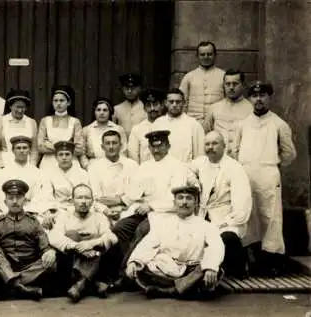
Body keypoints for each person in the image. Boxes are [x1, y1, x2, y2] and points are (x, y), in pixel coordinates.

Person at [103, 130, 199, 288]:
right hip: (142, 210)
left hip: (165, 213)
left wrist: (151, 206)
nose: (156, 150)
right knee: (120, 228)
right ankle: (128, 271)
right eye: (152, 147)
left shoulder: (177, 167)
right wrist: (123, 202)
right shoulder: (145, 166)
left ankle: (124, 275)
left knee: (142, 230)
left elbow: (175, 200)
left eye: (159, 146)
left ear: (167, 146)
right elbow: (134, 191)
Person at [234, 81, 297, 276]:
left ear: (269, 97)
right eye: (254, 95)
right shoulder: (242, 124)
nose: (258, 99)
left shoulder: (279, 124)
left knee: (270, 217)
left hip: (268, 174)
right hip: (247, 174)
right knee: (249, 215)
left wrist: (272, 164)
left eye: (263, 95)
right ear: (250, 98)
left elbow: (289, 153)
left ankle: (273, 261)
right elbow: (235, 150)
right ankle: (252, 261)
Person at [126, 186, 224, 299]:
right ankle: (187, 288)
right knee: (142, 267)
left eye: (189, 198)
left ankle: (171, 291)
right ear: (174, 202)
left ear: (196, 203)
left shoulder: (206, 226)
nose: (184, 202)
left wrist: (210, 268)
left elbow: (216, 246)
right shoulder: (163, 224)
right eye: (180, 198)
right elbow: (148, 244)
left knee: (214, 268)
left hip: (192, 270)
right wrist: (134, 262)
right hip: (167, 269)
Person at [190, 131, 252, 278]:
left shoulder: (234, 168)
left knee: (225, 239)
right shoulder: (201, 162)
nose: (210, 147)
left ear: (224, 146)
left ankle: (239, 267)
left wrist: (224, 223)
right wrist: (194, 181)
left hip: (226, 219)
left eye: (215, 143)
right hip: (205, 216)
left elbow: (242, 209)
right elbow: (186, 170)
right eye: (207, 144)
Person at [0, 179, 57, 300]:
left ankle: (11, 284)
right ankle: (20, 288)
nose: (14, 201)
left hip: (30, 267)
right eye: (11, 198)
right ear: (5, 201)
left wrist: (48, 252)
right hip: (5, 265)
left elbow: (44, 244)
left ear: (25, 200)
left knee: (51, 262)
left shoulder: (33, 222)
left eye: (18, 197)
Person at [49, 184, 118, 303]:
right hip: (71, 267)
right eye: (79, 198)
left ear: (92, 201)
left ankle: (81, 283)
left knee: (99, 238)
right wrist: (78, 247)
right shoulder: (64, 216)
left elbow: (112, 237)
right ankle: (93, 283)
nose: (83, 202)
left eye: (87, 198)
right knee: (72, 235)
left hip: (95, 260)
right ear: (72, 200)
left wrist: (91, 244)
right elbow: (53, 236)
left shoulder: (99, 217)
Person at [88, 130, 138, 224]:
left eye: (114, 143)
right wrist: (106, 211)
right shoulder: (94, 167)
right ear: (102, 147)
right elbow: (96, 198)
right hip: (103, 211)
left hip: (128, 210)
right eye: (107, 143)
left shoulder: (132, 165)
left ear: (121, 145)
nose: (111, 147)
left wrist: (121, 201)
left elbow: (135, 194)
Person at [0, 136, 53, 218]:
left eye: (25, 148)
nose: (22, 151)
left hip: (32, 210)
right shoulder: (4, 172)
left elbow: (42, 195)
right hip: (10, 210)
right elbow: (1, 195)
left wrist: (31, 211)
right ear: (13, 150)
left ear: (29, 150)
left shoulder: (38, 172)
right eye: (18, 148)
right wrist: (9, 212)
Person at [204, 69, 253, 157]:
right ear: (223, 86)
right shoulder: (214, 108)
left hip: (242, 160)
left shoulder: (251, 109)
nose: (231, 87)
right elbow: (205, 134)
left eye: (235, 84)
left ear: (243, 85)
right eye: (228, 84)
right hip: (218, 160)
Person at [42, 141, 90, 230]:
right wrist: (48, 211)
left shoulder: (82, 173)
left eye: (67, 154)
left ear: (72, 156)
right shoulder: (49, 174)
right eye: (61, 155)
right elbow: (47, 195)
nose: (64, 158)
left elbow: (87, 195)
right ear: (56, 157)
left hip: (78, 210)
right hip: (58, 209)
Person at [37, 85, 85, 171]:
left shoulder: (75, 122)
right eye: (55, 101)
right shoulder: (45, 121)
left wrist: (49, 144)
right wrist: (68, 145)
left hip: (70, 161)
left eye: (62, 100)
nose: (58, 103)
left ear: (68, 102)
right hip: (49, 163)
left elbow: (79, 148)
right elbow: (40, 146)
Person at [152, 88, 205, 162]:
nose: (174, 105)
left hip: (186, 170)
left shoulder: (193, 124)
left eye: (178, 102)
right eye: (171, 102)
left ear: (184, 103)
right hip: (163, 169)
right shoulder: (158, 123)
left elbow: (200, 155)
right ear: (165, 103)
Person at [179, 41, 225, 125]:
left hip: (217, 123)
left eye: (209, 54)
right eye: (202, 54)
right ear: (197, 56)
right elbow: (181, 102)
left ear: (215, 55)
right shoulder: (189, 76)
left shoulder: (223, 76)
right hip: (193, 122)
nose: (206, 57)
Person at [0, 89, 39, 168]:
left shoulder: (31, 122)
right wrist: (0, 164)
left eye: (23, 107)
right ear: (10, 106)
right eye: (17, 107)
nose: (20, 110)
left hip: (27, 163)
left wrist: (32, 165)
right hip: (6, 163)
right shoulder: (1, 121)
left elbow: (34, 148)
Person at [82, 98, 127, 164]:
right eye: (98, 110)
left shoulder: (118, 129)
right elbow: (82, 153)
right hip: (94, 166)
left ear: (110, 112)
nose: (101, 113)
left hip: (114, 165)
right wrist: (87, 166)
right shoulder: (87, 130)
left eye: (105, 110)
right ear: (94, 112)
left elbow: (123, 151)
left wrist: (119, 165)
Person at [127, 88, 166, 164]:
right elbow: (133, 157)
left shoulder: (168, 125)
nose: (152, 108)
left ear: (162, 105)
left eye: (155, 104)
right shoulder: (137, 129)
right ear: (144, 108)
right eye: (148, 105)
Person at [112, 73, 147, 138]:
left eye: (133, 88)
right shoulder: (117, 109)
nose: (129, 91)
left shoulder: (146, 107)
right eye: (126, 88)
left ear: (140, 88)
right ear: (122, 89)